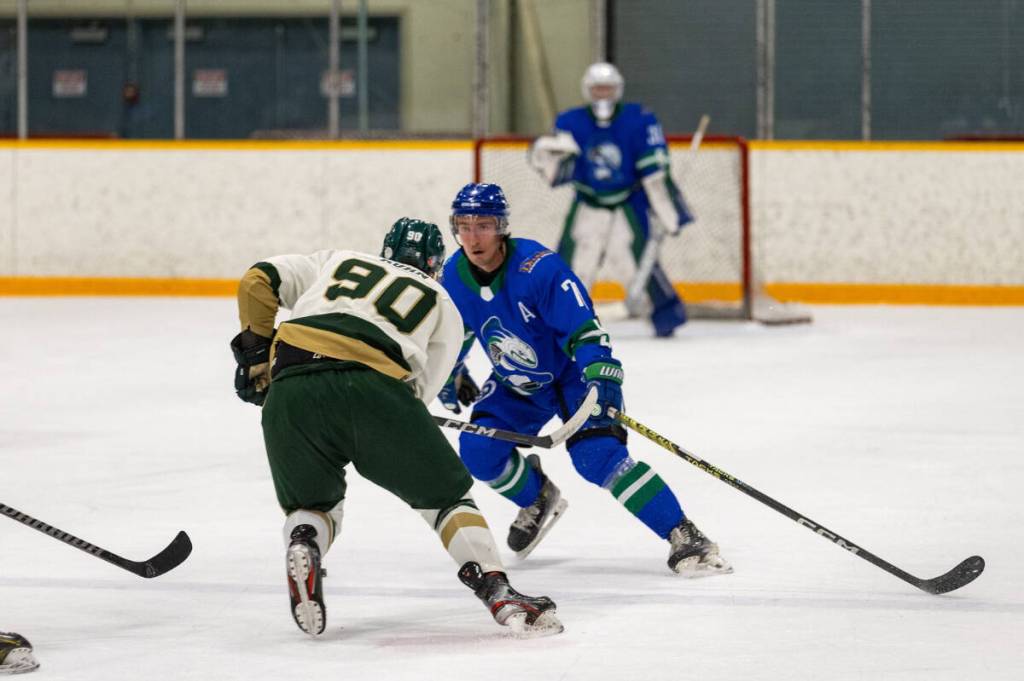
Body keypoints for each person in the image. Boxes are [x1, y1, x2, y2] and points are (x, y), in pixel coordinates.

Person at [230, 218, 562, 637]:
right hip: (373, 391)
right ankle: (498, 591)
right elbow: (416, 397)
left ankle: (304, 540)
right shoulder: (443, 301)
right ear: (435, 265)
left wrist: (257, 358)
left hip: (289, 391)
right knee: (447, 500)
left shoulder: (338, 261)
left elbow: (257, 280)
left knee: (313, 506)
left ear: (384, 250)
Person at [437, 183, 731, 577]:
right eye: (464, 226)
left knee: (597, 456)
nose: (473, 238)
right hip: (517, 382)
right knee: (478, 450)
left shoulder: (540, 269)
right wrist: (450, 371)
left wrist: (602, 374)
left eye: (484, 226)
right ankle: (538, 497)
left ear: (502, 227)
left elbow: (585, 331)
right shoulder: (453, 278)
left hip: (572, 375)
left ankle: (684, 534)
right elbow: (454, 333)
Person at [528, 62, 692, 338]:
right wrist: (546, 157)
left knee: (637, 263)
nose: (603, 95)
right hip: (588, 203)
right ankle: (560, 320)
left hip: (627, 204)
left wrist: (666, 207)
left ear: (618, 90)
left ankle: (665, 317)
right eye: (597, 89)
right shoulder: (570, 122)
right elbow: (557, 169)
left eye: (608, 89)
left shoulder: (639, 119)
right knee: (573, 264)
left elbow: (654, 172)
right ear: (587, 90)